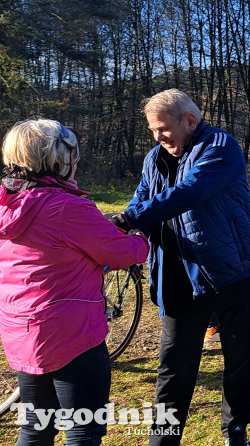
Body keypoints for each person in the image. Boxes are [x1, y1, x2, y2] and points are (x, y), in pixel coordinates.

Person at [115, 89, 250, 446]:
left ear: (189, 120)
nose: (158, 137)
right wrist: (125, 228)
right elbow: (142, 197)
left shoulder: (221, 147)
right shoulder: (155, 157)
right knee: (174, 365)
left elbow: (190, 191)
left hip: (233, 270)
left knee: (239, 360)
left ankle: (236, 431)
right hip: (177, 276)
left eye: (163, 129)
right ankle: (164, 440)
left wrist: (130, 217)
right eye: (153, 131)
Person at [0, 119, 149, 446]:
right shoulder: (66, 206)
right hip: (71, 333)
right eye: (73, 156)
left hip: (21, 330)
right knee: (84, 428)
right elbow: (121, 253)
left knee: (36, 428)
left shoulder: (6, 204)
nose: (77, 163)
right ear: (58, 160)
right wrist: (141, 239)